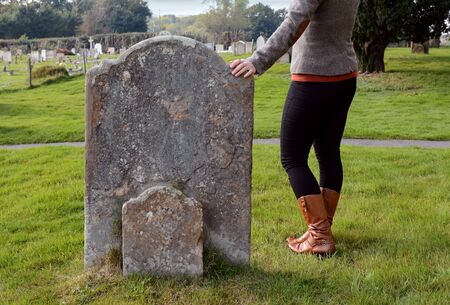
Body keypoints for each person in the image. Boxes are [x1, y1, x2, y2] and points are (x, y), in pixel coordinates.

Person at [230, 0, 361, 255]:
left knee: (292, 157)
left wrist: (258, 60)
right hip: (345, 76)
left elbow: (295, 20)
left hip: (314, 78)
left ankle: (320, 236)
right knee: (329, 153)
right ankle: (321, 230)